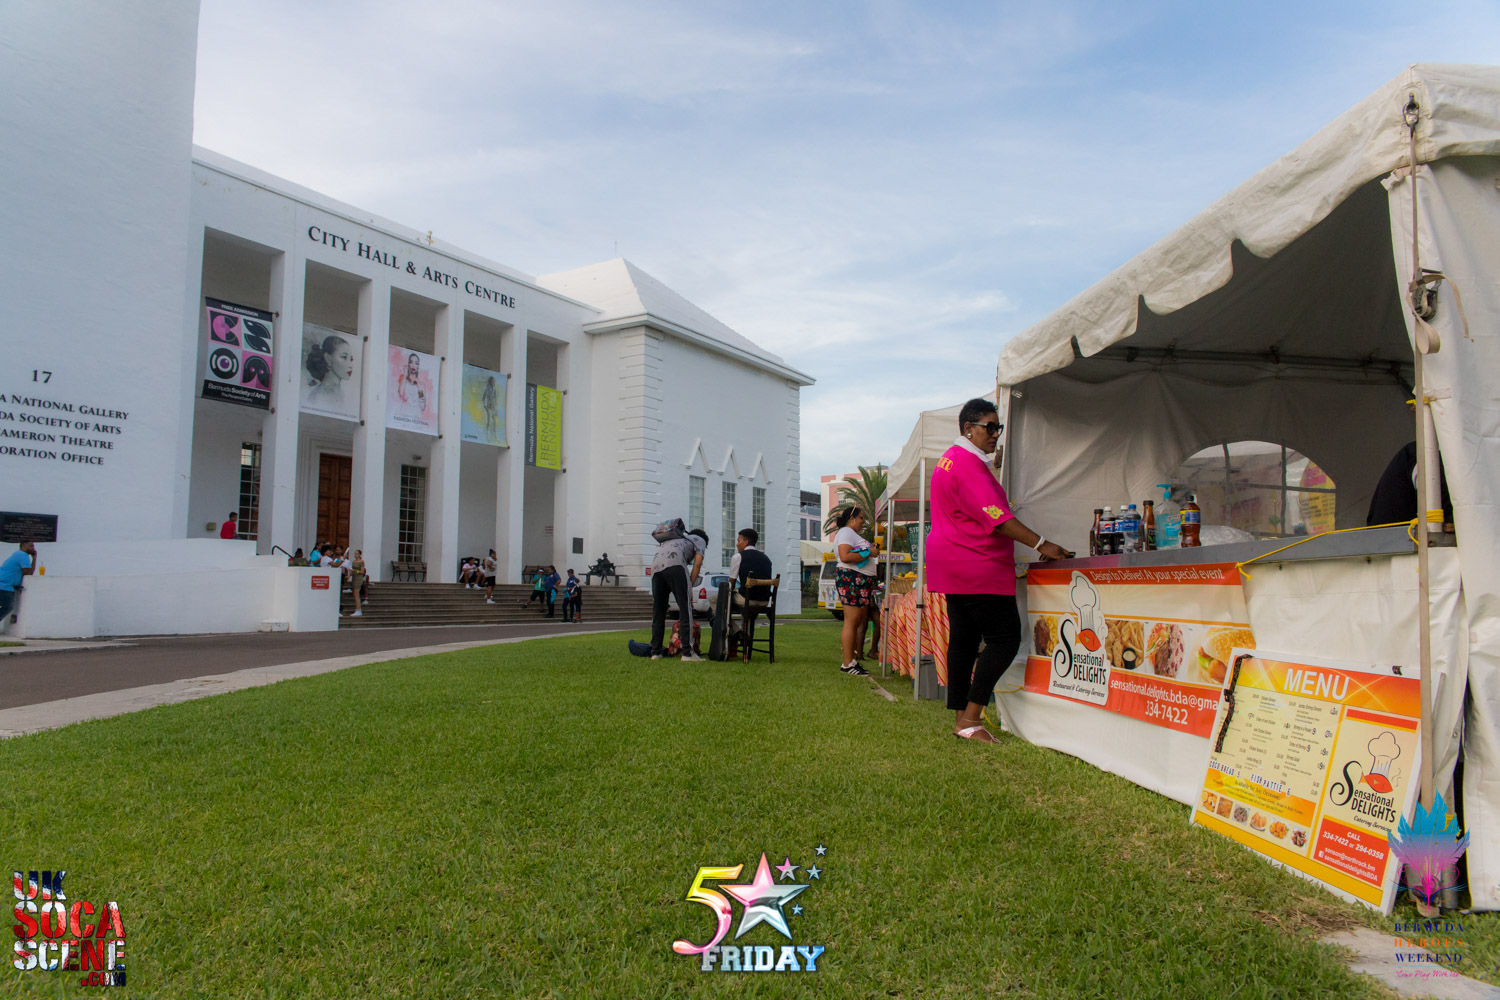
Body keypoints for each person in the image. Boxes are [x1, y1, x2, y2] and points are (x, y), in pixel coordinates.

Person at [928, 398, 1072, 743]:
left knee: (964, 641)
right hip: (976, 563)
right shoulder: (968, 465)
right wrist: (1043, 544)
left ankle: (963, 718)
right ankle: (971, 718)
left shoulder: (950, 459)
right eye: (989, 427)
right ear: (968, 428)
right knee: (1005, 639)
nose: (995, 434)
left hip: (954, 563)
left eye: (998, 428)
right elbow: (998, 518)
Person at [833, 507, 880, 676]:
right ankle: (847, 664)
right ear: (852, 518)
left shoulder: (851, 534)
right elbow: (845, 556)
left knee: (856, 620)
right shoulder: (846, 532)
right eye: (861, 518)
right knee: (852, 621)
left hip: (858, 579)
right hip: (851, 578)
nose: (863, 522)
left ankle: (851, 661)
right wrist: (869, 552)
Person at [649, 527, 706, 661]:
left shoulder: (676, 539)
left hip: (656, 568)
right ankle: (688, 653)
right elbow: (697, 564)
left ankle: (655, 652)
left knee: (658, 611)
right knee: (686, 609)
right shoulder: (700, 539)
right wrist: (689, 586)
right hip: (675, 565)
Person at [728, 528, 774, 658]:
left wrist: (730, 591)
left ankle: (736, 631)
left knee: (717, 600)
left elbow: (731, 582)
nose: (737, 544)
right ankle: (745, 634)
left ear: (746, 542)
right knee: (747, 609)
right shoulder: (766, 558)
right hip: (764, 601)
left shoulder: (738, 556)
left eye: (739, 540)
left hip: (747, 599)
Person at [305, 333, 358, 411]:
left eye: (351, 359)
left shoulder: (341, 393)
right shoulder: (321, 395)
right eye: (344, 357)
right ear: (327, 358)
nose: (350, 365)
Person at [0, 541, 37, 628]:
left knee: (6, 606)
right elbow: (28, 572)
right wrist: (34, 559)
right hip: (5, 586)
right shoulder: (23, 555)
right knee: (8, 606)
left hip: (5, 585)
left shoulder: (18, 554)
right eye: (31, 546)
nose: (33, 548)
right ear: (24, 546)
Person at [346, 550, 367, 617]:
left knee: (356, 593)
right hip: (354, 577)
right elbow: (351, 571)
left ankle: (358, 609)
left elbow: (362, 571)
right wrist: (349, 576)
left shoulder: (361, 561)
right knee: (354, 594)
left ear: (360, 554)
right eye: (355, 553)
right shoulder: (353, 561)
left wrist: (355, 571)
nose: (355, 555)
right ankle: (357, 609)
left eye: (357, 553)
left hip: (358, 577)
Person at [481, 375, 499, 441]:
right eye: (492, 381)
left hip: (493, 408)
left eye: (494, 381)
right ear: (490, 382)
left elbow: (495, 399)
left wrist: (496, 409)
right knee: (488, 423)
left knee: (494, 423)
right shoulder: (487, 389)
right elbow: (483, 398)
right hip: (489, 407)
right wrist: (485, 406)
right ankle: (487, 438)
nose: (493, 382)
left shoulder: (494, 389)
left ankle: (495, 438)